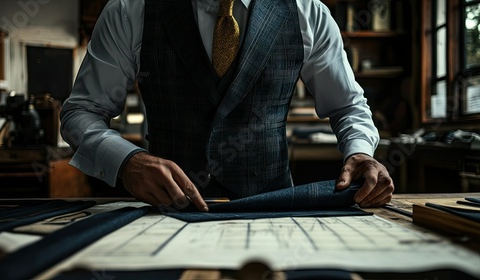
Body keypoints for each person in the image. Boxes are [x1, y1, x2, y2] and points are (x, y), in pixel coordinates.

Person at [60, 0, 394, 212]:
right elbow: (82, 111)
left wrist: (361, 151)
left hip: (275, 211)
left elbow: (348, 105)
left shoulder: (308, 13)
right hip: (163, 213)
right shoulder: (129, 10)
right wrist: (127, 161)